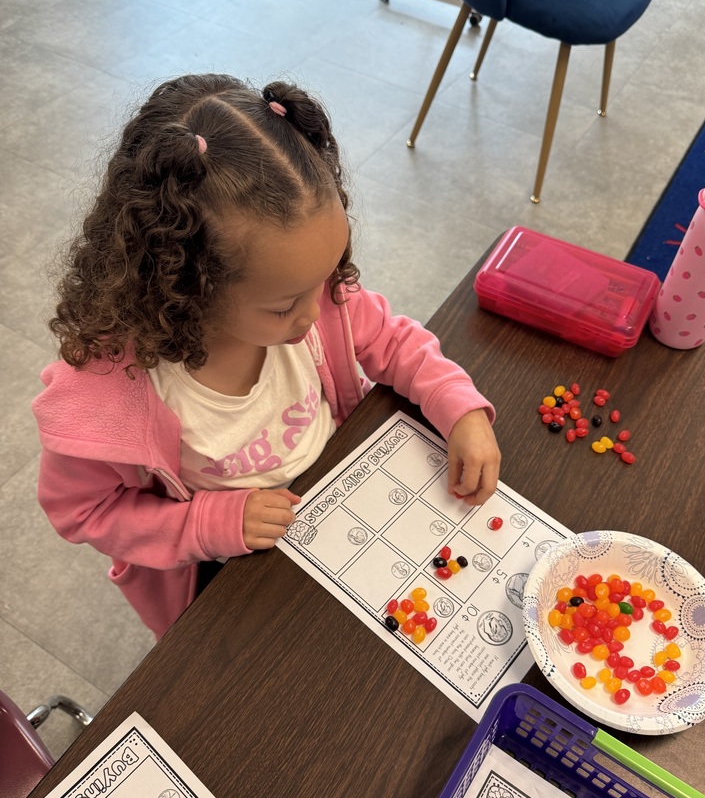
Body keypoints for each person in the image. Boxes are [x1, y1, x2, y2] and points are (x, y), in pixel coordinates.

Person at [33, 73, 500, 639]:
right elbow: (83, 512)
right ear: (186, 286)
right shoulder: (108, 393)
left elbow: (396, 342)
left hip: (340, 500)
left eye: (327, 277)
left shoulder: (316, 294)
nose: (317, 312)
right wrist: (208, 522)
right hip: (232, 568)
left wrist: (460, 407)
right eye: (283, 307)